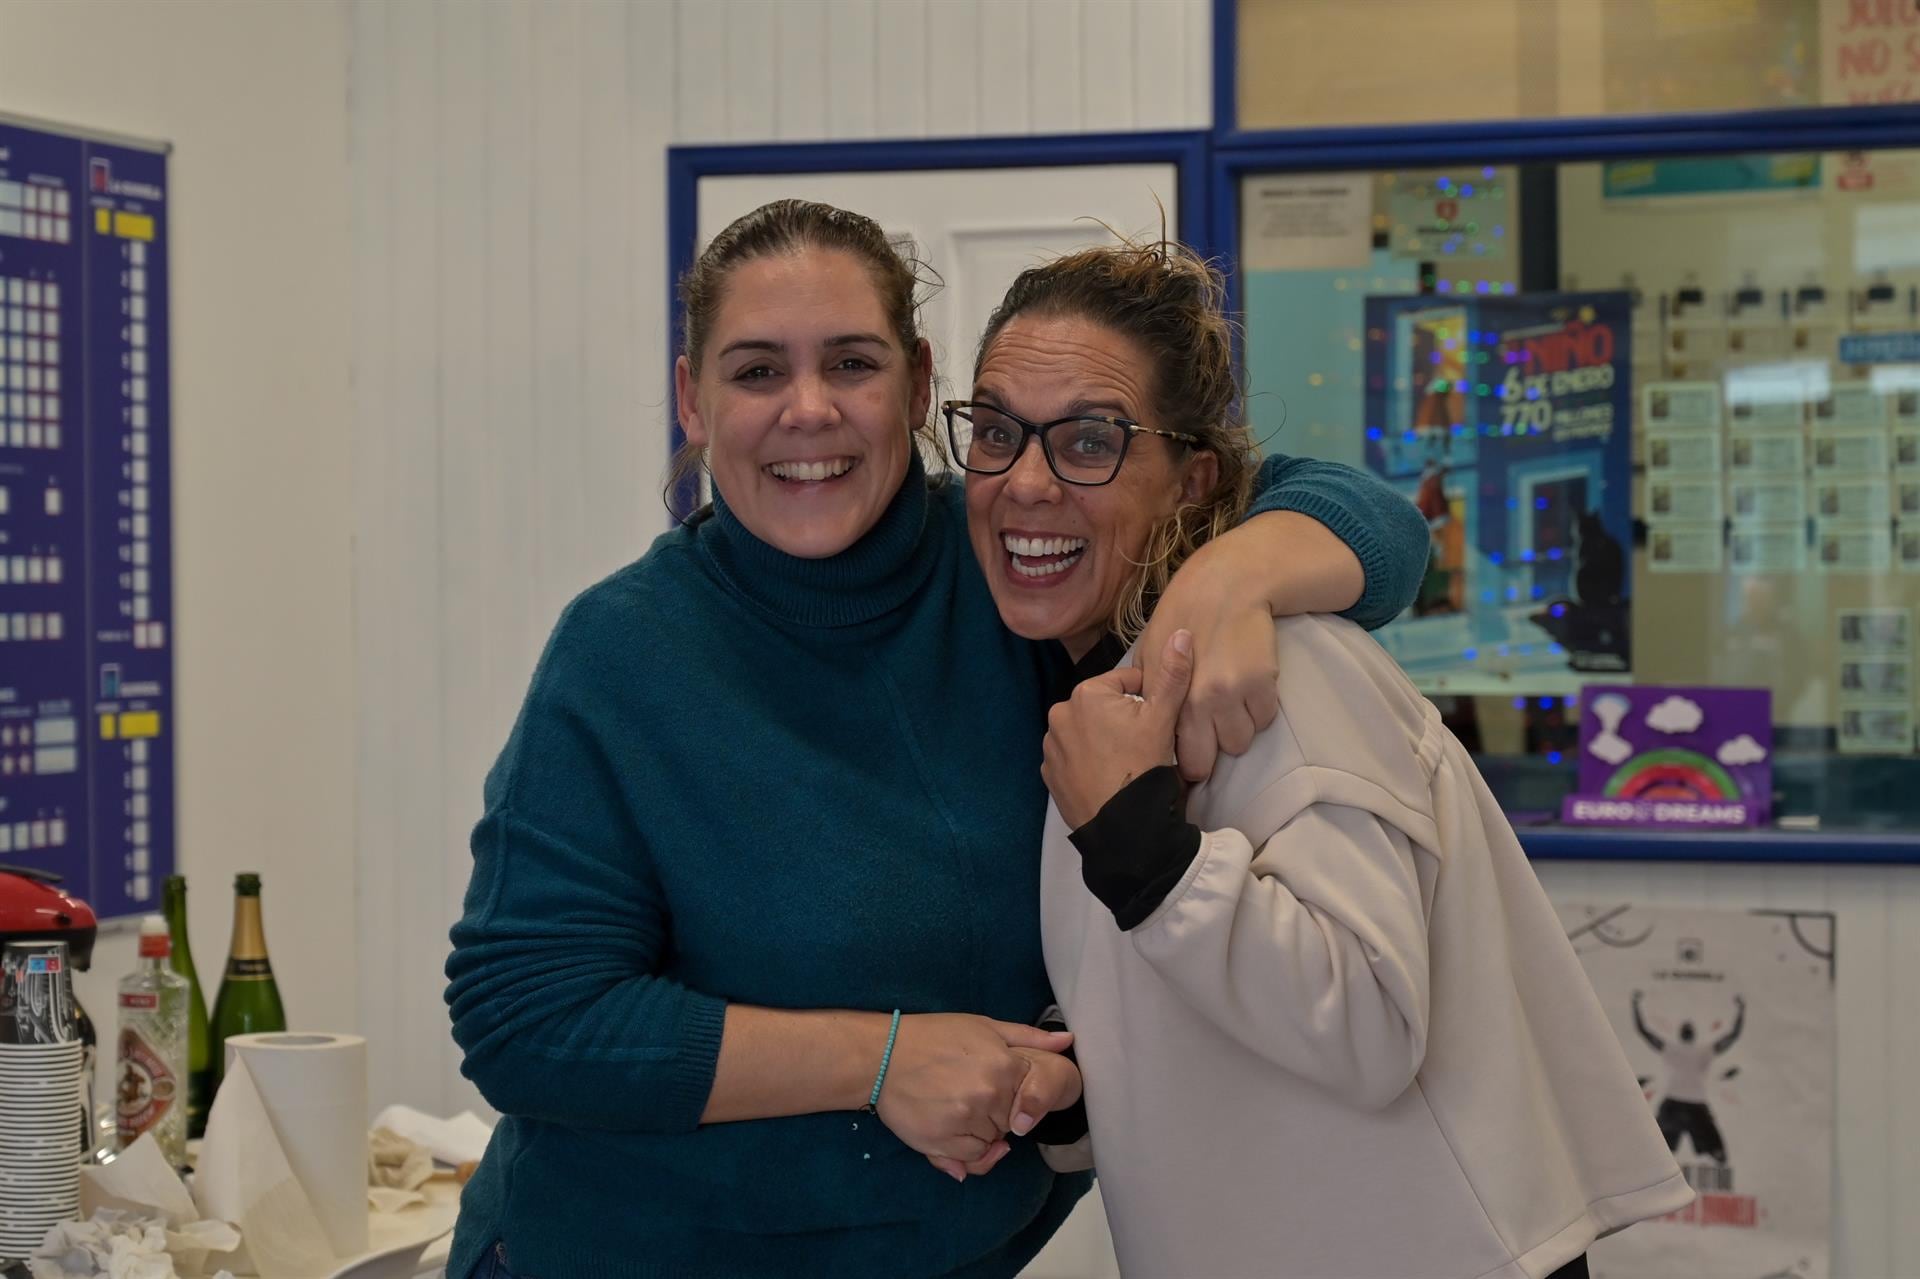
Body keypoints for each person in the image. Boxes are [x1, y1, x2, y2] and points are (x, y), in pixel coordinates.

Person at [442, 199, 1432, 1279]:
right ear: (694, 397)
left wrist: (1230, 575)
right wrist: (878, 1059)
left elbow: (1367, 519)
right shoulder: (623, 652)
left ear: (917, 385)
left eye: (852, 364)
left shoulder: (1017, 568)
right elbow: (524, 1016)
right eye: (758, 370)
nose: (807, 411)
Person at [957, 237, 1694, 1279]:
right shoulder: (1107, 683)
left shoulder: (1287, 669)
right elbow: (1214, 999)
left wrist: (1144, 853)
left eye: (1090, 440)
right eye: (993, 431)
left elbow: (1367, 1019)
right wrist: (1075, 1090)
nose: (1026, 481)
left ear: (1193, 478)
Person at [1633, 990, 1746, 1164]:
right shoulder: (1697, 1050)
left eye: (1687, 1029)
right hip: (1687, 1106)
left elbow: (1644, 1031)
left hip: (1678, 1106)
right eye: (1687, 1029)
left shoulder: (1682, 1049)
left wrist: (1635, 1004)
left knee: (1658, 1154)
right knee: (1715, 1154)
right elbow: (1733, 1036)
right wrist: (1741, 1009)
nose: (1687, 1030)